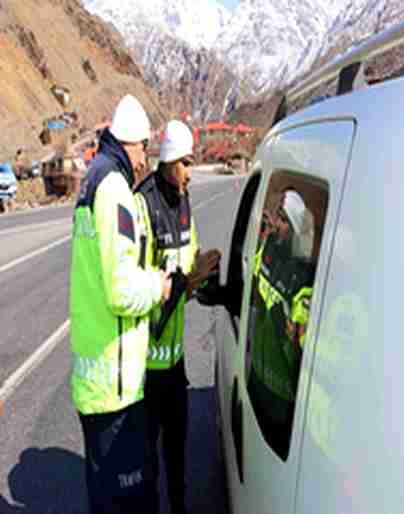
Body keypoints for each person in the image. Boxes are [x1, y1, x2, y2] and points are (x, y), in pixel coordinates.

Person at [69, 94, 172, 514]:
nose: (146, 159)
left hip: (94, 379)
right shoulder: (114, 190)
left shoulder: (92, 180)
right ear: (130, 144)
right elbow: (121, 291)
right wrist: (159, 287)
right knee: (131, 501)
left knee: (106, 498)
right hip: (114, 388)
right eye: (144, 147)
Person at [133, 119, 220, 514]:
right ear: (168, 161)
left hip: (175, 360)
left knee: (178, 450)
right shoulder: (142, 203)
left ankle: (180, 505)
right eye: (186, 163)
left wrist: (203, 274)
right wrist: (183, 284)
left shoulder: (184, 201)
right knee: (146, 458)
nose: (190, 172)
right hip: (146, 366)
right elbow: (134, 288)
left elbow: (189, 258)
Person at [246, 189, 316, 459]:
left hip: (282, 399)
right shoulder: (269, 249)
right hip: (257, 378)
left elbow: (302, 339)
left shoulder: (305, 277)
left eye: (284, 221)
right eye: (277, 217)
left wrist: (289, 327)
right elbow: (252, 278)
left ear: (297, 229)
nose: (276, 224)